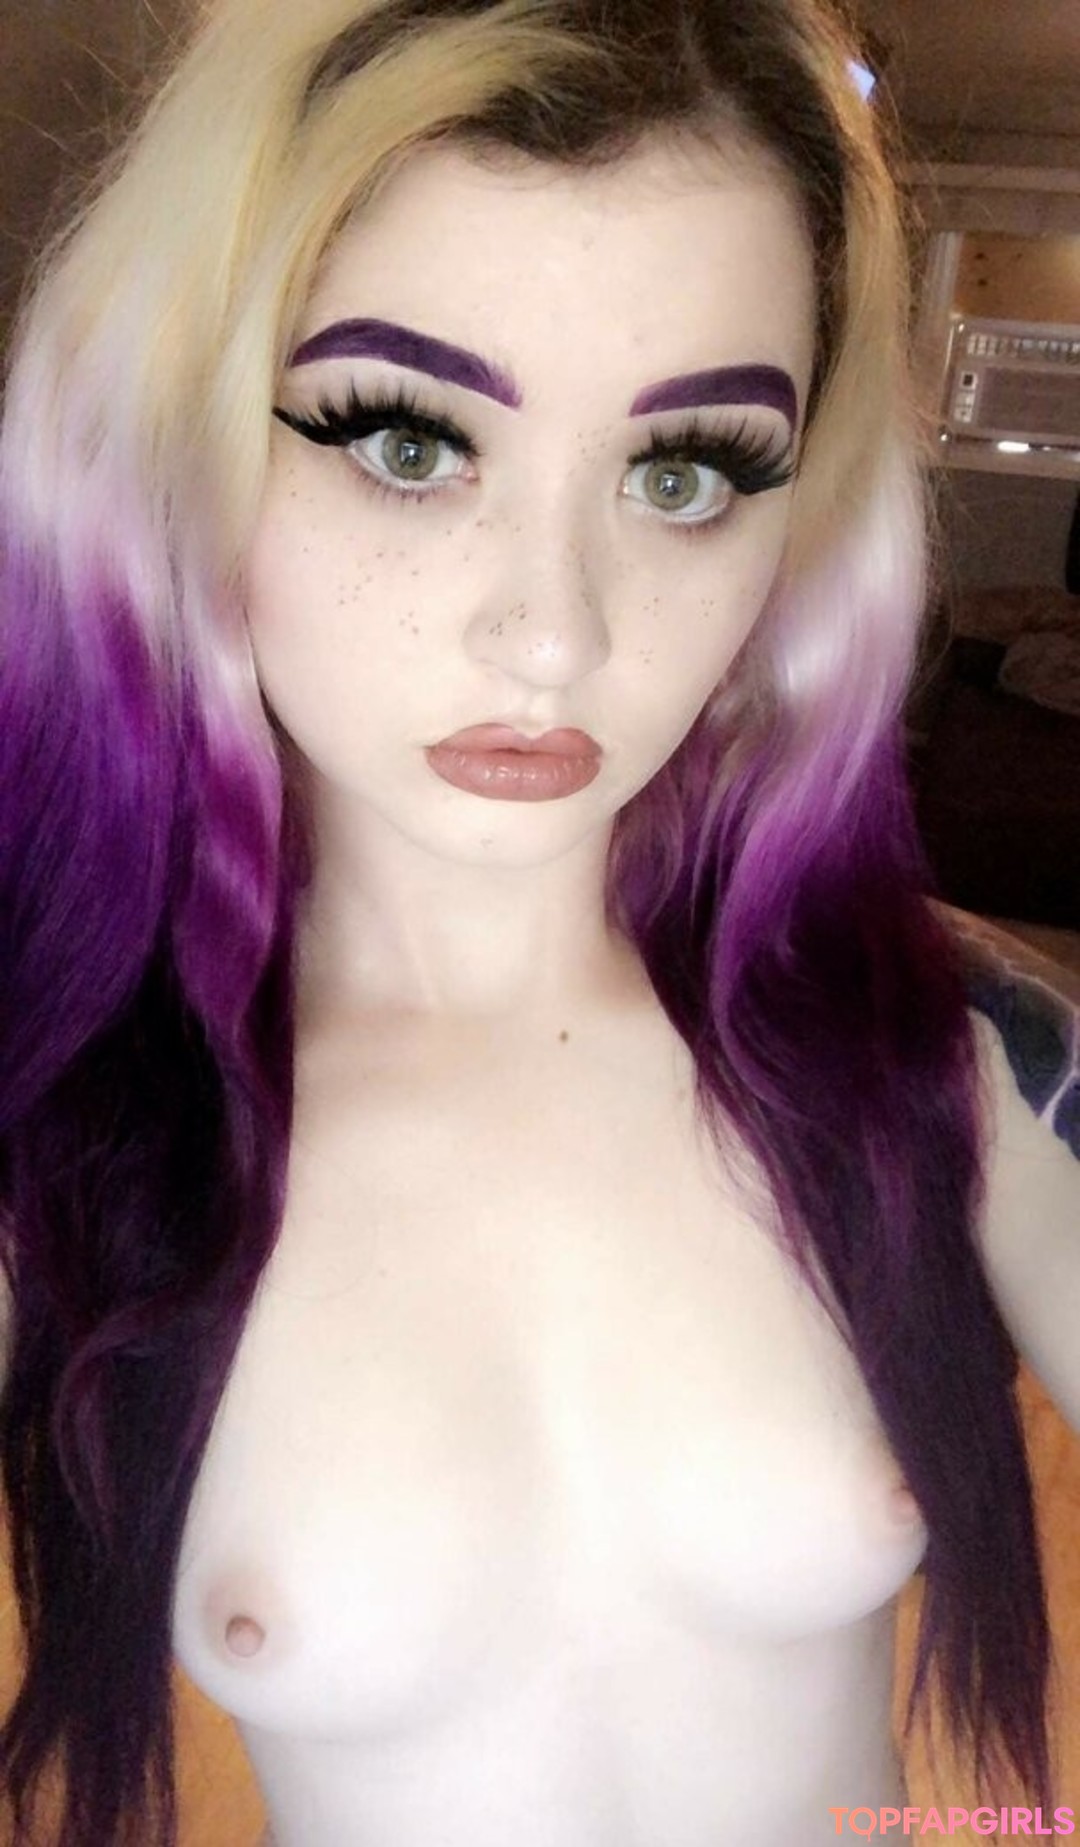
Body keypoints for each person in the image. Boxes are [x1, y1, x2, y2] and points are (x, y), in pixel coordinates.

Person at [0, 2, 1077, 1843]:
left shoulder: (939, 1049)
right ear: (176, 440)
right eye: (407, 443)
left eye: (684, 473)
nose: (553, 633)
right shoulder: (66, 1125)